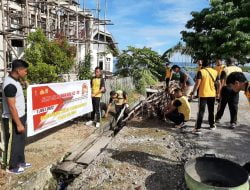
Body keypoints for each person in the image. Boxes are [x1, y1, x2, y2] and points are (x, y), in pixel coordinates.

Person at [2, 59, 31, 174]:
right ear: (18, 70)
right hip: (13, 118)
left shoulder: (15, 80)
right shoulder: (9, 85)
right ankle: (12, 166)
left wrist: (23, 82)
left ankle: (20, 161)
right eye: (25, 70)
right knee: (13, 142)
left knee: (20, 140)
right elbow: (12, 106)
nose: (26, 73)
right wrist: (18, 123)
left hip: (21, 115)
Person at [190, 59, 220, 134]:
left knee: (201, 111)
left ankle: (198, 128)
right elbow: (218, 83)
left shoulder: (201, 71)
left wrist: (193, 92)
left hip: (203, 94)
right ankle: (212, 126)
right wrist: (218, 93)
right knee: (211, 110)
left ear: (203, 64)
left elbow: (197, 84)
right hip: (212, 94)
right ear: (210, 64)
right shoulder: (215, 72)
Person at [215, 58, 242, 128]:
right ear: (234, 62)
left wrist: (219, 92)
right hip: (236, 89)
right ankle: (233, 122)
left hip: (227, 88)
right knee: (234, 106)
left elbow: (222, 82)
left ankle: (218, 118)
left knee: (222, 104)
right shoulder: (239, 69)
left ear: (228, 62)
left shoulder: (225, 70)